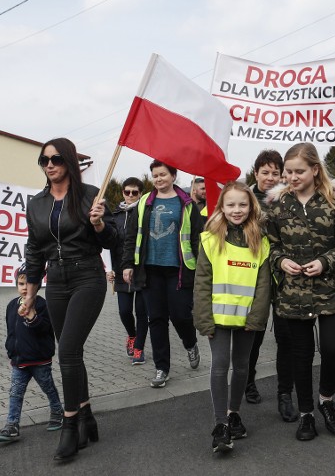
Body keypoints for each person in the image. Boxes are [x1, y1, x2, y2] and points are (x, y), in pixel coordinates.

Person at [22, 137, 117, 461]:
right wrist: (31, 294)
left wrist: (100, 224)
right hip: (57, 282)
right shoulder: (36, 204)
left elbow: (113, 239)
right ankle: (88, 417)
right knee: (72, 354)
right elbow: (34, 250)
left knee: (68, 351)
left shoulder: (92, 196)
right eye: (45, 160)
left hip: (88, 276)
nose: (50, 165)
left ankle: (70, 423)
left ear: (69, 163)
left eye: (57, 159)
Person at [267, 142, 335, 441]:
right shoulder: (278, 205)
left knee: (332, 350)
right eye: (288, 172)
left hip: (330, 291)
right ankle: (306, 413)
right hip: (293, 294)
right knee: (301, 355)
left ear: (315, 169)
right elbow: (271, 247)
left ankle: (327, 400)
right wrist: (282, 261)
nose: (292, 177)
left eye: (299, 171)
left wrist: (324, 262)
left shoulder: (334, 204)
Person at [193, 182, 272, 453]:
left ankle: (234, 412)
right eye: (231, 205)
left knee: (241, 367)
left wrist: (257, 317)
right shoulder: (211, 239)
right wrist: (203, 319)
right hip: (218, 318)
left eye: (242, 204)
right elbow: (202, 281)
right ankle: (220, 424)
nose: (236, 210)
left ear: (251, 207)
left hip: (248, 319)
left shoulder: (260, 241)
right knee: (220, 364)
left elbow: (264, 285)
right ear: (221, 207)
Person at [122, 160, 203, 389]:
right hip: (150, 270)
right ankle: (162, 368)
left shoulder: (186, 203)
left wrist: (201, 270)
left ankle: (190, 342)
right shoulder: (144, 203)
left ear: (174, 176)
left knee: (180, 316)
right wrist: (128, 264)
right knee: (156, 319)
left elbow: (197, 237)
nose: (159, 179)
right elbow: (131, 236)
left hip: (179, 271)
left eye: (163, 175)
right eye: (155, 175)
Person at [244, 150, 296, 421]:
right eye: (265, 172)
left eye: (276, 173)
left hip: (285, 278)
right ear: (256, 174)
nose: (270, 177)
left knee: (285, 338)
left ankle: (284, 394)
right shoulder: (244, 201)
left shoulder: (289, 199)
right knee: (254, 335)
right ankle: (248, 380)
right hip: (255, 279)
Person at [0, 264, 64, 443]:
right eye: (21, 283)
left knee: (48, 387)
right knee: (15, 393)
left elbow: (46, 329)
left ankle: (57, 411)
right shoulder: (12, 306)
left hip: (39, 360)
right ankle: (12, 425)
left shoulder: (42, 304)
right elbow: (11, 330)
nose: (25, 288)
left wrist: (32, 317)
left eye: (28, 284)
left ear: (37, 285)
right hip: (19, 360)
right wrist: (10, 347)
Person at [108, 177, 148, 365]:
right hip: (120, 270)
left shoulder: (145, 213)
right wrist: (110, 269)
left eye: (135, 192)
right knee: (124, 311)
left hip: (142, 271)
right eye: (127, 192)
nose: (131, 195)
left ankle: (139, 348)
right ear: (123, 193)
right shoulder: (115, 215)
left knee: (142, 312)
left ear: (141, 193)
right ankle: (132, 335)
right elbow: (108, 245)